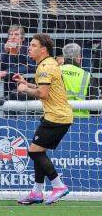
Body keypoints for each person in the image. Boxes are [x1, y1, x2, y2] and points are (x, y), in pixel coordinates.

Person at [13, 33, 73, 205]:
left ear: (43, 49)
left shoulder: (45, 67)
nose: (29, 48)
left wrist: (24, 89)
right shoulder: (48, 64)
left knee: (34, 151)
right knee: (38, 151)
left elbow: (43, 94)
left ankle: (58, 186)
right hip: (57, 116)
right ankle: (37, 192)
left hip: (56, 117)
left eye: (33, 45)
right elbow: (44, 88)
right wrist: (27, 83)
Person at [60, 43, 99, 117]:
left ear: (64, 57)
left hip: (58, 118)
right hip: (82, 121)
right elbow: (95, 107)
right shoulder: (87, 75)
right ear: (78, 57)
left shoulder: (55, 71)